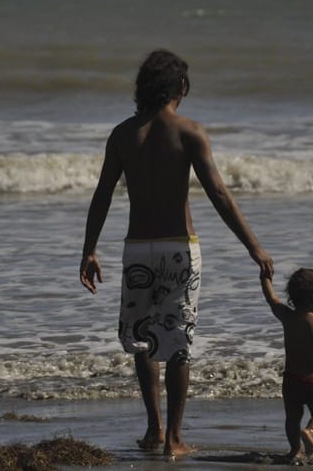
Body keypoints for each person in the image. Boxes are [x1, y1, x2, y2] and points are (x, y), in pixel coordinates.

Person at [79, 49, 274, 457]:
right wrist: (253, 245)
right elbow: (219, 194)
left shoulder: (122, 134)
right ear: (180, 87)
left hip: (137, 250)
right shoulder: (189, 131)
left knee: (143, 342)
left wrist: (89, 249)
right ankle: (175, 439)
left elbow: (101, 195)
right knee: (177, 343)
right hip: (178, 250)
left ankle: (154, 430)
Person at [260, 268, 313, 460]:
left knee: (292, 418)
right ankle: (310, 433)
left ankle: (295, 450)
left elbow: (272, 300)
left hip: (291, 381)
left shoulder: (288, 317)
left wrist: (265, 279)